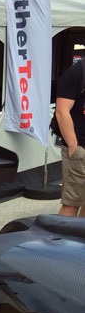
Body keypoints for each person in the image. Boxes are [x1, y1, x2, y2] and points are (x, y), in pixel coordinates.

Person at [55, 60, 85, 217]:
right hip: (80, 149)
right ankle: (63, 234)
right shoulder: (77, 72)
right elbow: (61, 112)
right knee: (71, 204)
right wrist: (74, 148)